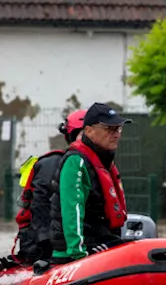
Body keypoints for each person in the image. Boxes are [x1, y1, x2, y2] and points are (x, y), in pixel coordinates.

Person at [49, 102, 131, 263]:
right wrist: (79, 254)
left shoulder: (105, 162)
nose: (116, 134)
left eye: (118, 129)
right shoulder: (76, 162)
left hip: (102, 240)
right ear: (89, 131)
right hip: (78, 250)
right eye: (110, 129)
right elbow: (72, 210)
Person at [10, 108, 85, 264]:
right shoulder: (52, 164)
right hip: (43, 245)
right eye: (83, 134)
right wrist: (46, 242)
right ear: (71, 136)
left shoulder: (99, 166)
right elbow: (40, 206)